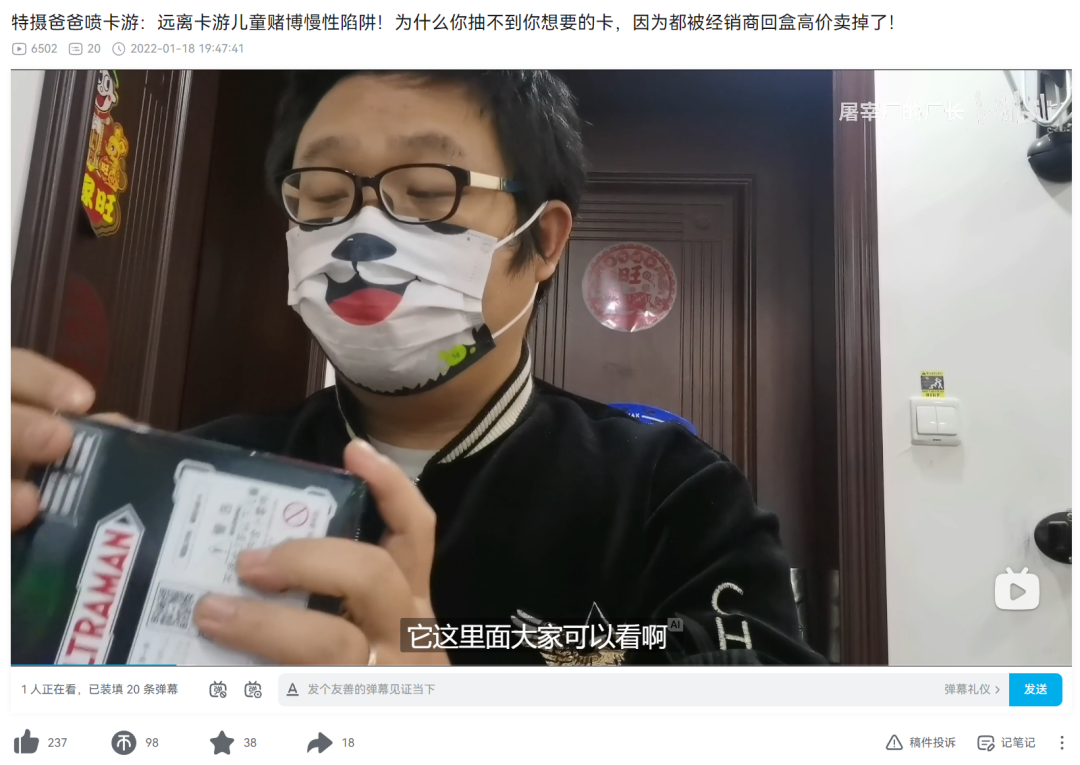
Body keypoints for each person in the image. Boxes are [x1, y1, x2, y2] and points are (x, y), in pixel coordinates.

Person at [10, 70, 825, 667]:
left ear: (543, 241)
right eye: (322, 195)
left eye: (430, 190)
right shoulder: (201, 467)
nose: (362, 232)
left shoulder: (670, 494)